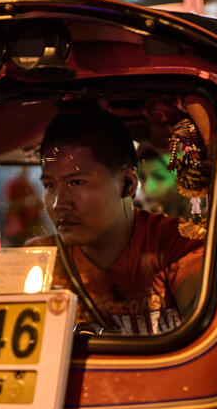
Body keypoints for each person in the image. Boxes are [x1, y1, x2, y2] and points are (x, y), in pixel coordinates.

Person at [36, 106, 204, 335]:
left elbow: (206, 318)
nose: (58, 203)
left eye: (76, 182)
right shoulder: (41, 261)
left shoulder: (177, 243)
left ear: (128, 183)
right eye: (49, 185)